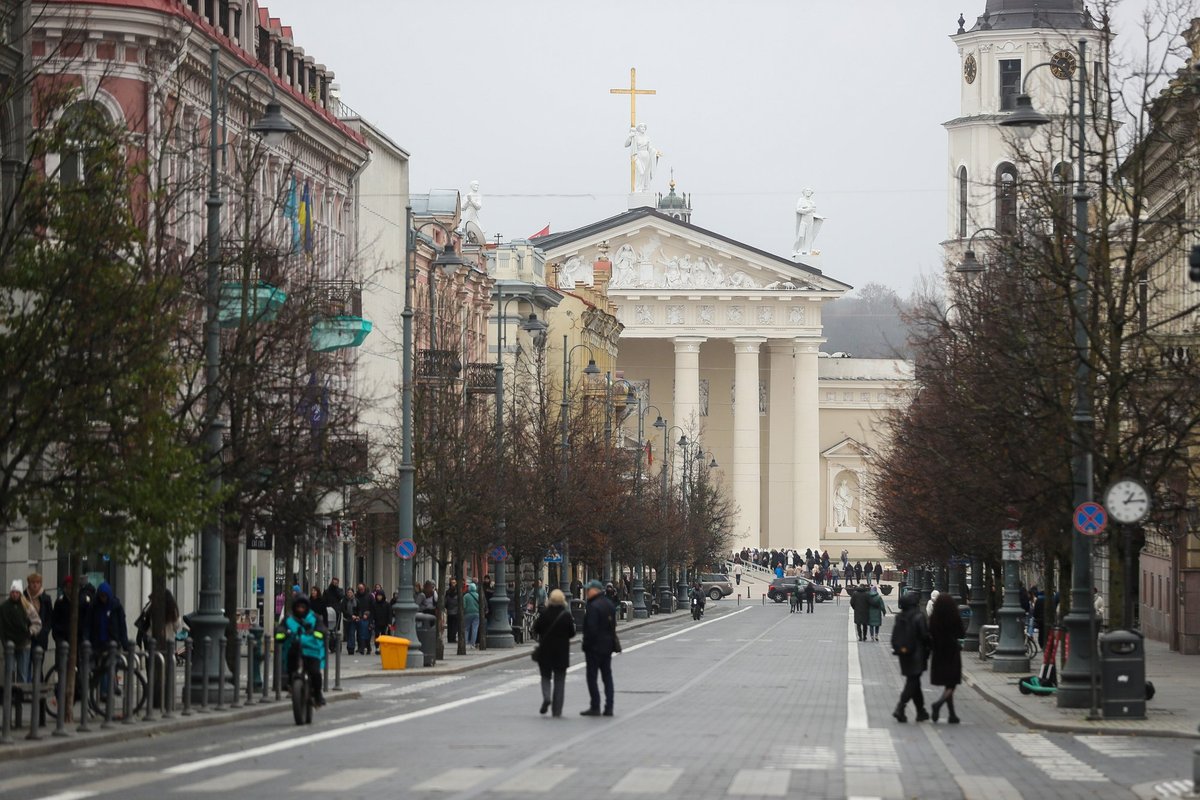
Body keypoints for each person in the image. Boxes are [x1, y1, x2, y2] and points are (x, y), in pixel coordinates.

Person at [532, 589, 575, 717]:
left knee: (545, 677)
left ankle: (546, 697)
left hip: (545, 651)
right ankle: (557, 710)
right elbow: (572, 633)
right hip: (561, 653)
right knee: (559, 681)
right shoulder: (566, 615)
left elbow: (536, 628)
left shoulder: (544, 614)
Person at [278, 596, 326, 707]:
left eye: (303, 607)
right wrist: (282, 634)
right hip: (294, 649)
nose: (300, 609)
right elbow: (280, 629)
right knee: (289, 666)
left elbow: (322, 630)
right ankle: (291, 684)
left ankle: (318, 695)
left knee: (315, 673)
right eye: (298, 607)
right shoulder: (289, 618)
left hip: (311, 650)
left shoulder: (313, 617)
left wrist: (317, 633)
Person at [891, 591, 931, 723]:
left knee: (915, 682)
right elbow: (924, 636)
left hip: (903, 654)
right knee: (912, 681)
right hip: (917, 654)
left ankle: (921, 711)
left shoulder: (900, 617)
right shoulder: (919, 616)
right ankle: (900, 707)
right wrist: (930, 646)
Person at [580, 580, 617, 717]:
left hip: (594, 648)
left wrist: (586, 645)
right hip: (607, 646)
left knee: (592, 677)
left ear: (595, 590)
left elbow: (591, 628)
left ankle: (595, 706)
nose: (586, 592)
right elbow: (613, 625)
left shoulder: (593, 606)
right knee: (607, 676)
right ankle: (609, 707)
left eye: (588, 590)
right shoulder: (609, 604)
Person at [0, 580, 34, 681]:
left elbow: (36, 622)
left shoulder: (27, 606)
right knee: (9, 672)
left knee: (22, 674)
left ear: (20, 594)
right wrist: (4, 641)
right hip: (9, 643)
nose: (14, 594)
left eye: (17, 592)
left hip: (24, 643)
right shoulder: (4, 607)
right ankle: (10, 691)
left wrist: (29, 632)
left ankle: (20, 691)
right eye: (13, 592)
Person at [23, 573, 52, 657]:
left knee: (39, 659)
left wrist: (45, 631)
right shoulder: (23, 597)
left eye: (38, 582)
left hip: (41, 635)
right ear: (29, 583)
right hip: (27, 635)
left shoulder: (46, 598)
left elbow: (49, 617)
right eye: (33, 582)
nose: (35, 585)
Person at [353, 583, 371, 655]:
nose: (361, 590)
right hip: (359, 616)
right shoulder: (355, 596)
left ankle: (367, 647)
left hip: (367, 616)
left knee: (367, 633)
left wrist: (369, 615)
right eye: (359, 589)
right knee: (359, 633)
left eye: (362, 589)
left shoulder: (369, 596)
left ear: (364, 588)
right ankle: (360, 647)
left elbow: (372, 606)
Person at [340, 588, 359, 655]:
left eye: (351, 592)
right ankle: (349, 647)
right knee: (348, 634)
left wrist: (358, 616)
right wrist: (350, 615)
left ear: (353, 593)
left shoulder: (356, 600)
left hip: (353, 620)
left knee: (352, 633)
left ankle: (351, 648)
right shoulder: (344, 600)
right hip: (346, 619)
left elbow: (359, 609)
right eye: (348, 592)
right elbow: (343, 609)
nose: (349, 594)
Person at [462, 582, 481, 648]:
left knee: (466, 629)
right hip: (477, 613)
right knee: (475, 628)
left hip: (467, 614)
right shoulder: (478, 595)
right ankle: (473, 644)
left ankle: (465, 643)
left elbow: (464, 606)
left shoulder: (466, 596)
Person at [445, 577, 460, 644]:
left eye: (454, 582)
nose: (453, 584)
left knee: (450, 625)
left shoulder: (447, 592)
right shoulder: (457, 592)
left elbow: (445, 602)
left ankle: (450, 638)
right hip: (455, 611)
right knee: (454, 626)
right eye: (452, 583)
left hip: (450, 611)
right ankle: (452, 638)